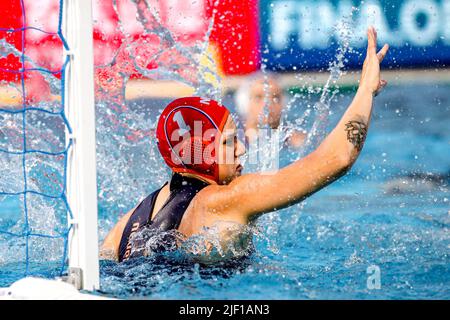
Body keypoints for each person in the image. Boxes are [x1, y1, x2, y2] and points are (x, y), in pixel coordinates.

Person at [100, 27, 389, 263]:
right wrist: (365, 90)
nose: (241, 150)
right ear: (202, 151)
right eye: (228, 142)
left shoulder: (131, 220)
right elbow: (337, 158)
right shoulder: (227, 199)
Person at [234, 72, 306, 149]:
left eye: (276, 98)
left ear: (284, 103)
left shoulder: (293, 138)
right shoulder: (231, 136)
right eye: (258, 97)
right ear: (244, 103)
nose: (267, 104)